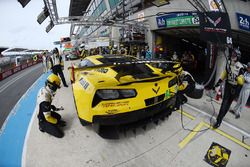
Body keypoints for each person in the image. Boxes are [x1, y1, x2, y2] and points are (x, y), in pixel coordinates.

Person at [213, 48, 245, 128]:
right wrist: (218, 82)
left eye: (235, 54)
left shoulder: (240, 67)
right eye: (232, 54)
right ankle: (218, 121)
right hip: (228, 85)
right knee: (224, 103)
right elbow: (224, 74)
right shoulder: (228, 64)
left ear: (238, 56)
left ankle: (221, 116)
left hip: (235, 88)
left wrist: (237, 78)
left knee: (228, 105)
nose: (232, 55)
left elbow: (242, 81)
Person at [37, 73, 66, 138]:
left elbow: (45, 105)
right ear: (51, 86)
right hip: (43, 118)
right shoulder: (45, 100)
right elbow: (48, 118)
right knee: (60, 134)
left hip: (43, 111)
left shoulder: (43, 89)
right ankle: (41, 126)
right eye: (56, 87)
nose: (56, 90)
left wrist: (52, 107)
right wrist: (57, 122)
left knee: (58, 117)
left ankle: (51, 124)